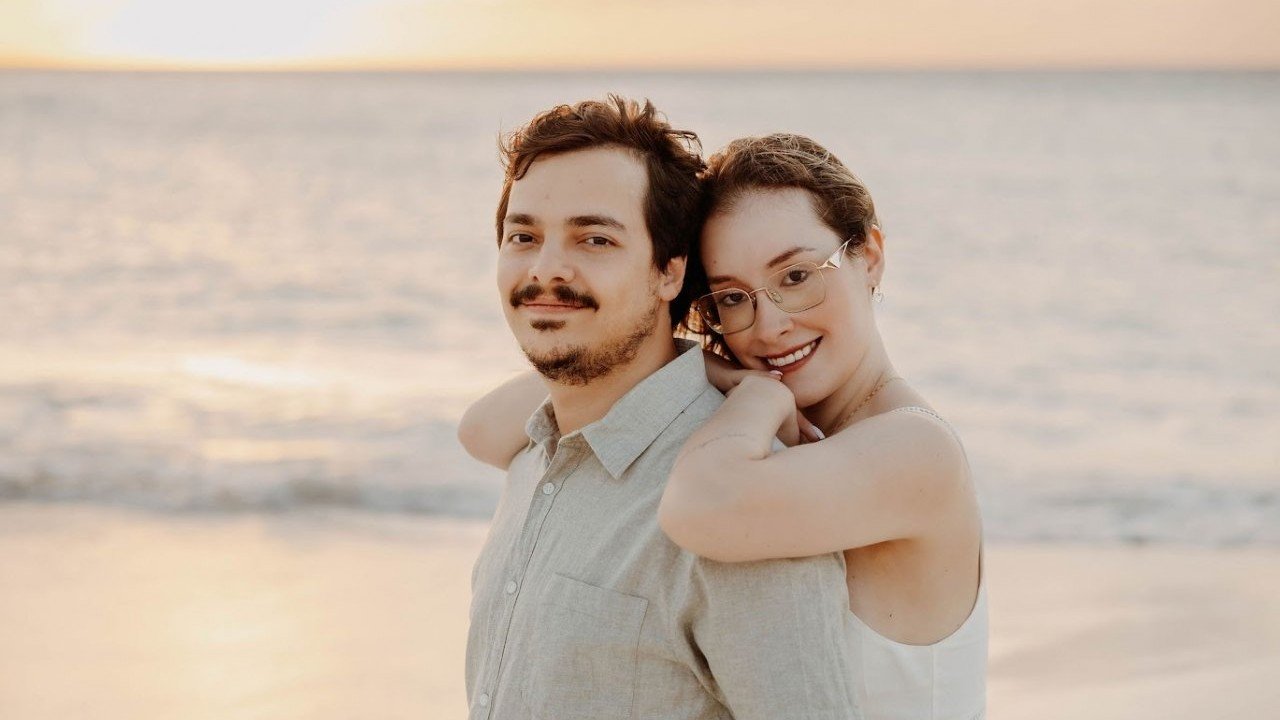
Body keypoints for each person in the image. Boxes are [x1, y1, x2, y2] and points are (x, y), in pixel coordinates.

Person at [460, 131, 987, 719]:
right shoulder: (790, 448)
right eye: (732, 298)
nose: (770, 326)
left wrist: (754, 396)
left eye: (797, 276)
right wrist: (693, 362)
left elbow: (700, 507)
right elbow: (481, 429)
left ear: (870, 255)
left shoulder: (917, 448)